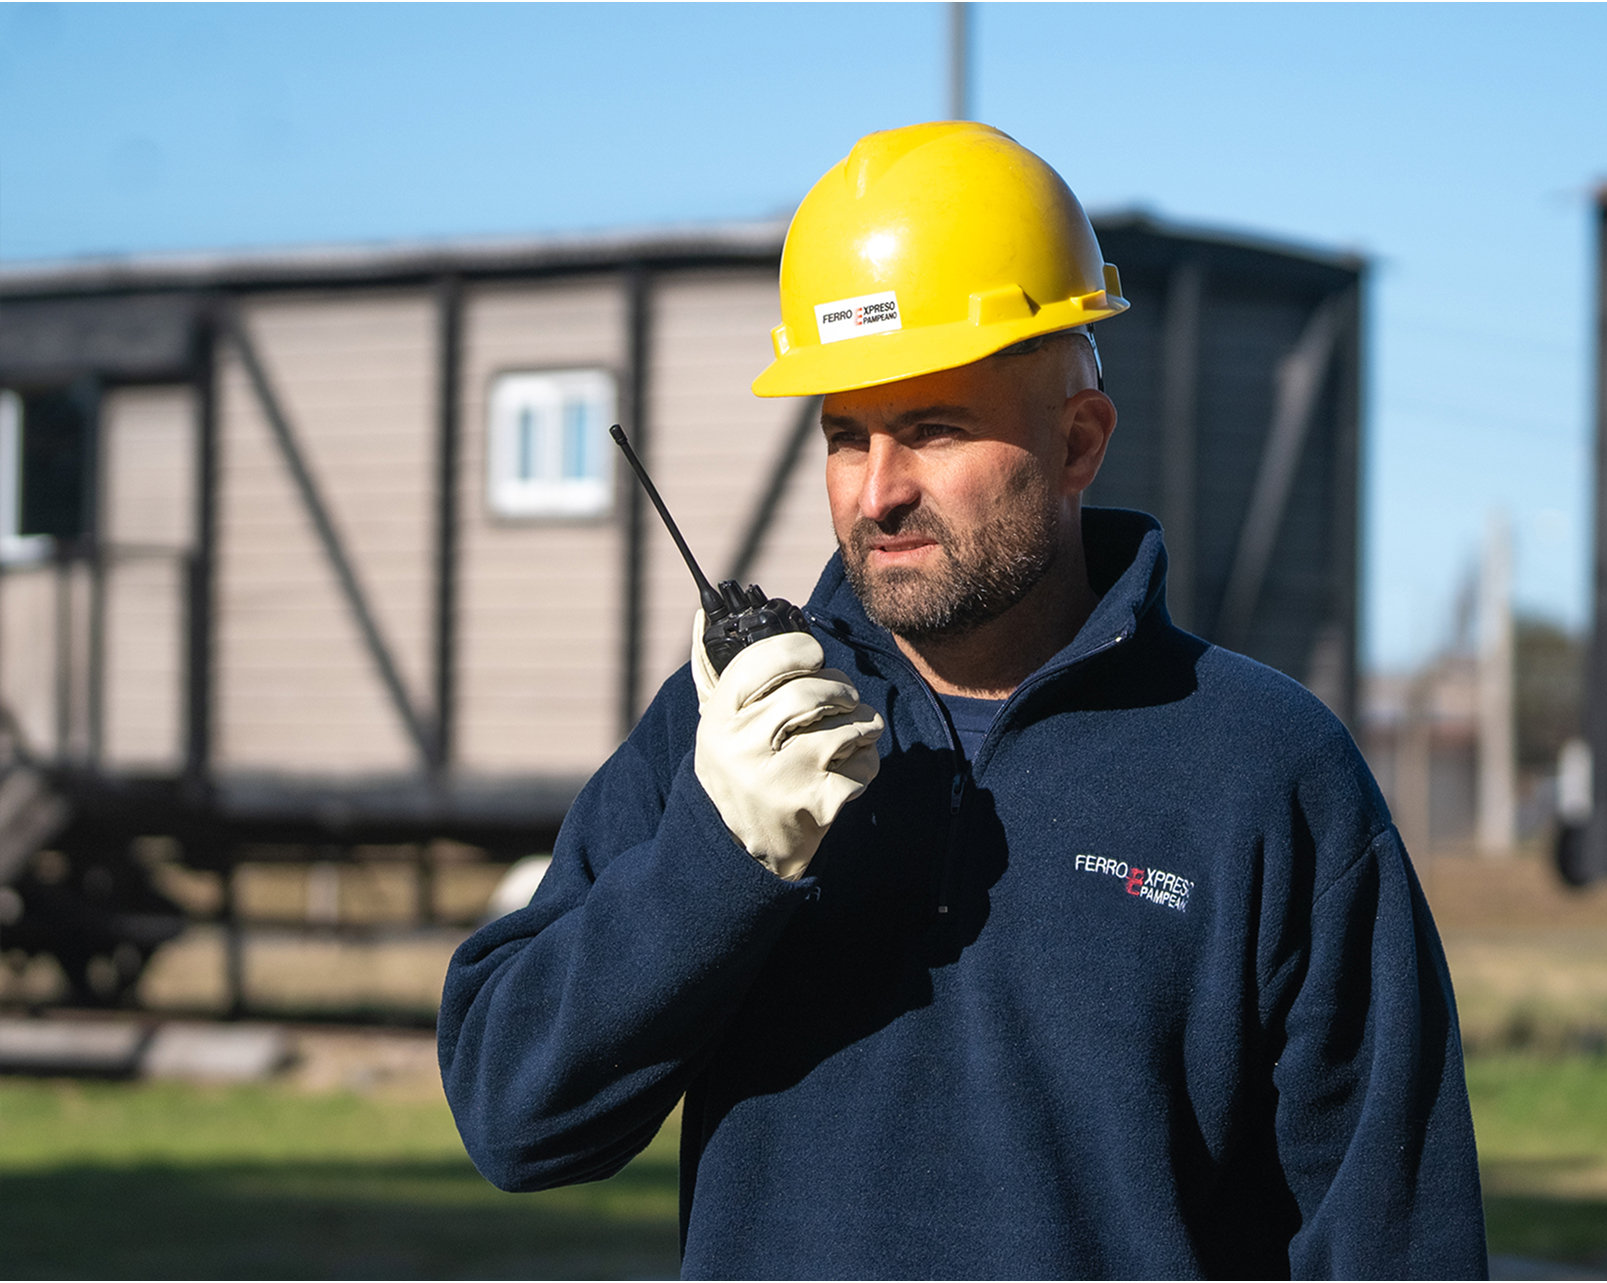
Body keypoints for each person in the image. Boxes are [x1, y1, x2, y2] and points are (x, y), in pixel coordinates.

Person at [439, 120, 1487, 1279]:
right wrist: (720, 857)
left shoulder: (1265, 767)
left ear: (1079, 442)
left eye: (932, 428)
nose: (878, 490)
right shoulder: (733, 735)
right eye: (847, 436)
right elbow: (515, 1116)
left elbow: (1395, 1232)